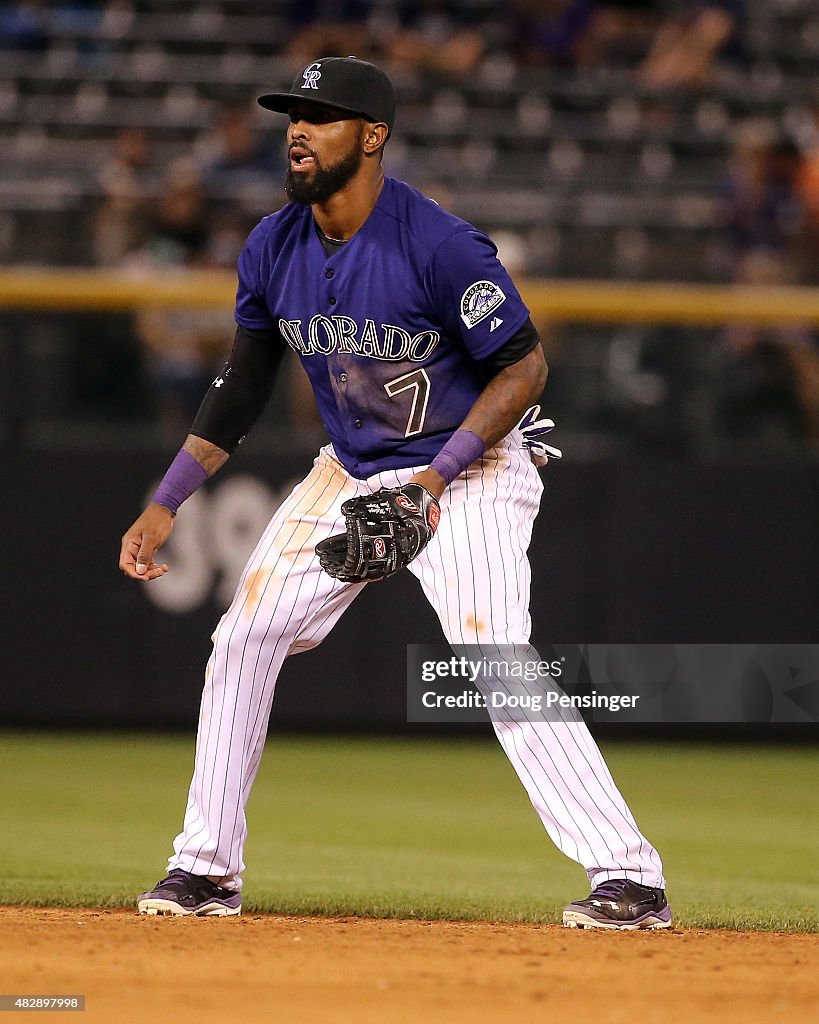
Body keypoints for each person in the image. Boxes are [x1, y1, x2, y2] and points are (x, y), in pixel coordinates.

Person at [119, 56, 671, 930]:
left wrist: (433, 482)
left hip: (471, 470)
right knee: (243, 636)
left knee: (494, 656)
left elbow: (524, 366)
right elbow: (243, 380)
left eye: (322, 115)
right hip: (349, 467)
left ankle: (629, 878)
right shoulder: (272, 244)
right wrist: (169, 496)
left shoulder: (439, 242)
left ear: (371, 136)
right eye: (291, 114)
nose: (298, 130)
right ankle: (206, 868)